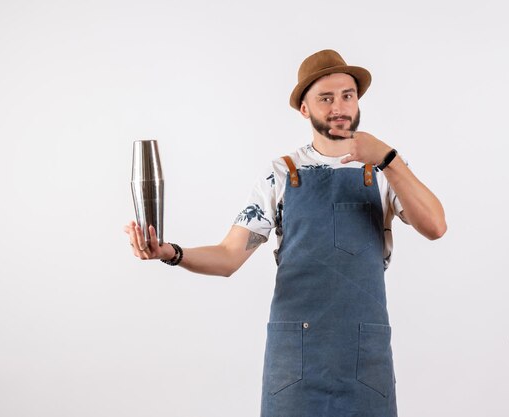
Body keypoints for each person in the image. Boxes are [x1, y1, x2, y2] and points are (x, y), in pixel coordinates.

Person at [125, 49, 446, 417]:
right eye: (325, 98)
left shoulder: (385, 171)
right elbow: (230, 256)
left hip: (364, 356)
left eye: (348, 95)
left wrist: (387, 157)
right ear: (305, 109)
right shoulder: (280, 173)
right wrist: (172, 252)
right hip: (295, 361)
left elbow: (435, 226)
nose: (339, 106)